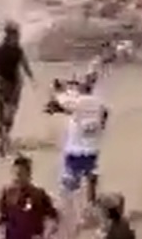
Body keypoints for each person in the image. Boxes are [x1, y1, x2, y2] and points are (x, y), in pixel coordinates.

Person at [46, 77, 110, 212]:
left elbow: (57, 101)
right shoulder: (99, 103)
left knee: (69, 186)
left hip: (75, 150)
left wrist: (56, 88)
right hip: (92, 149)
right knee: (90, 177)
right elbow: (103, 117)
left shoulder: (77, 101)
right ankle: (90, 207)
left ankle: (68, 212)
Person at [0, 22, 36, 157]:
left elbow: (25, 65)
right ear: (8, 35)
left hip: (14, 84)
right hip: (2, 83)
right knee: (4, 112)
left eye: (18, 35)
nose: (18, 37)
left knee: (8, 113)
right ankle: (2, 142)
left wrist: (32, 78)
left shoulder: (17, 50)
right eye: (16, 34)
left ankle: (4, 138)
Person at [0, 155, 59, 239]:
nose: (16, 178)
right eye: (14, 174)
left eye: (20, 174)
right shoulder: (7, 194)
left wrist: (47, 234)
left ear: (28, 175)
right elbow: (0, 219)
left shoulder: (38, 195)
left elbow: (53, 218)